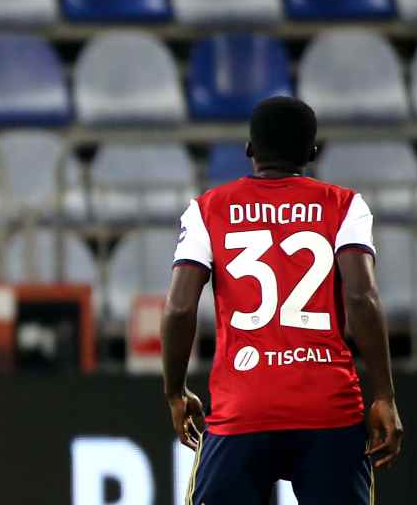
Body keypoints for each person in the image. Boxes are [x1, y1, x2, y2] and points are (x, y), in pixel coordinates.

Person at [161, 96, 404, 505]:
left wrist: (175, 391)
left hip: (242, 410)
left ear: (249, 149)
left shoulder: (207, 209)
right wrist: (384, 395)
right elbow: (362, 297)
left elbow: (180, 308)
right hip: (329, 409)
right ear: (311, 152)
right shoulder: (345, 206)